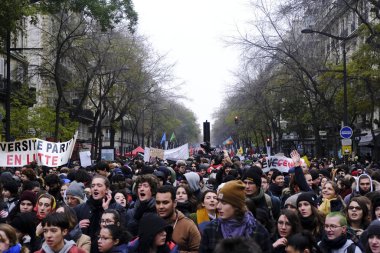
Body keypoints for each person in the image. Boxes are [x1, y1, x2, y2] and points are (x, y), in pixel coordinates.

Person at [199, 180, 272, 253]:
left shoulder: (257, 230)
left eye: (224, 203)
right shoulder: (211, 228)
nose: (218, 206)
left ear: (237, 205)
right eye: (218, 201)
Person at [74, 175, 125, 253]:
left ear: (107, 189)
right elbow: (70, 232)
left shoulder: (117, 208)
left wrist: (107, 210)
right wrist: (78, 226)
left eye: (99, 185)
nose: (95, 188)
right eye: (93, 186)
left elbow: (121, 232)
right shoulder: (80, 208)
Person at [155, 185, 201, 253]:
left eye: (165, 202)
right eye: (158, 203)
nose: (161, 206)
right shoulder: (151, 223)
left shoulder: (188, 225)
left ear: (174, 203)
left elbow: (199, 250)